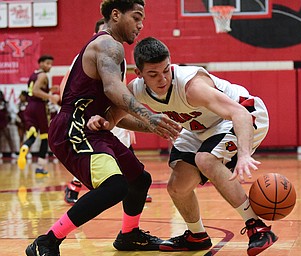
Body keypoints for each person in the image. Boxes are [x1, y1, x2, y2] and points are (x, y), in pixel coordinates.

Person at [87, 37, 278, 255]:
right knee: (177, 186)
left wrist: (243, 154)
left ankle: (258, 227)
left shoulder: (191, 86)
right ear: (139, 74)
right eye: (153, 74)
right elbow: (114, 118)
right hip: (200, 128)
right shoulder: (136, 89)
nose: (162, 79)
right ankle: (197, 236)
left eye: (166, 70)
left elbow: (238, 113)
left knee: (205, 159)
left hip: (244, 114)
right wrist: (101, 122)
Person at [25, 2, 181, 256]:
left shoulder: (112, 51)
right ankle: (47, 241)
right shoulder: (108, 44)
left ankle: (129, 235)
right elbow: (113, 90)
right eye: (136, 17)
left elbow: (113, 117)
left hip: (92, 127)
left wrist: (154, 127)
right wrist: (149, 116)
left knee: (139, 180)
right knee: (115, 186)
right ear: (116, 15)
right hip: (72, 127)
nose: (141, 25)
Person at [62, 18, 152, 205]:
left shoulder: (117, 56)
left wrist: (128, 122)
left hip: (108, 114)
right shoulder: (86, 55)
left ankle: (135, 190)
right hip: (87, 118)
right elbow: (65, 87)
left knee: (126, 154)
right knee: (97, 160)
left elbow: (120, 94)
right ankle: (74, 187)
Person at [17, 55, 60, 175]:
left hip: (29, 106)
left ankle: (25, 146)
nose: (49, 66)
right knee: (44, 137)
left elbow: (33, 91)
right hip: (40, 107)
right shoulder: (43, 75)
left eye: (51, 64)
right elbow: (36, 91)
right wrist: (51, 96)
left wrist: (49, 90)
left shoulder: (33, 75)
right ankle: (40, 168)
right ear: (40, 63)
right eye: (47, 63)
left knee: (32, 133)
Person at [0, 90, 17, 159]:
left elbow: (10, 112)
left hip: (4, 124)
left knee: (9, 137)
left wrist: (10, 120)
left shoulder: (6, 104)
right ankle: (0, 153)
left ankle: (13, 152)